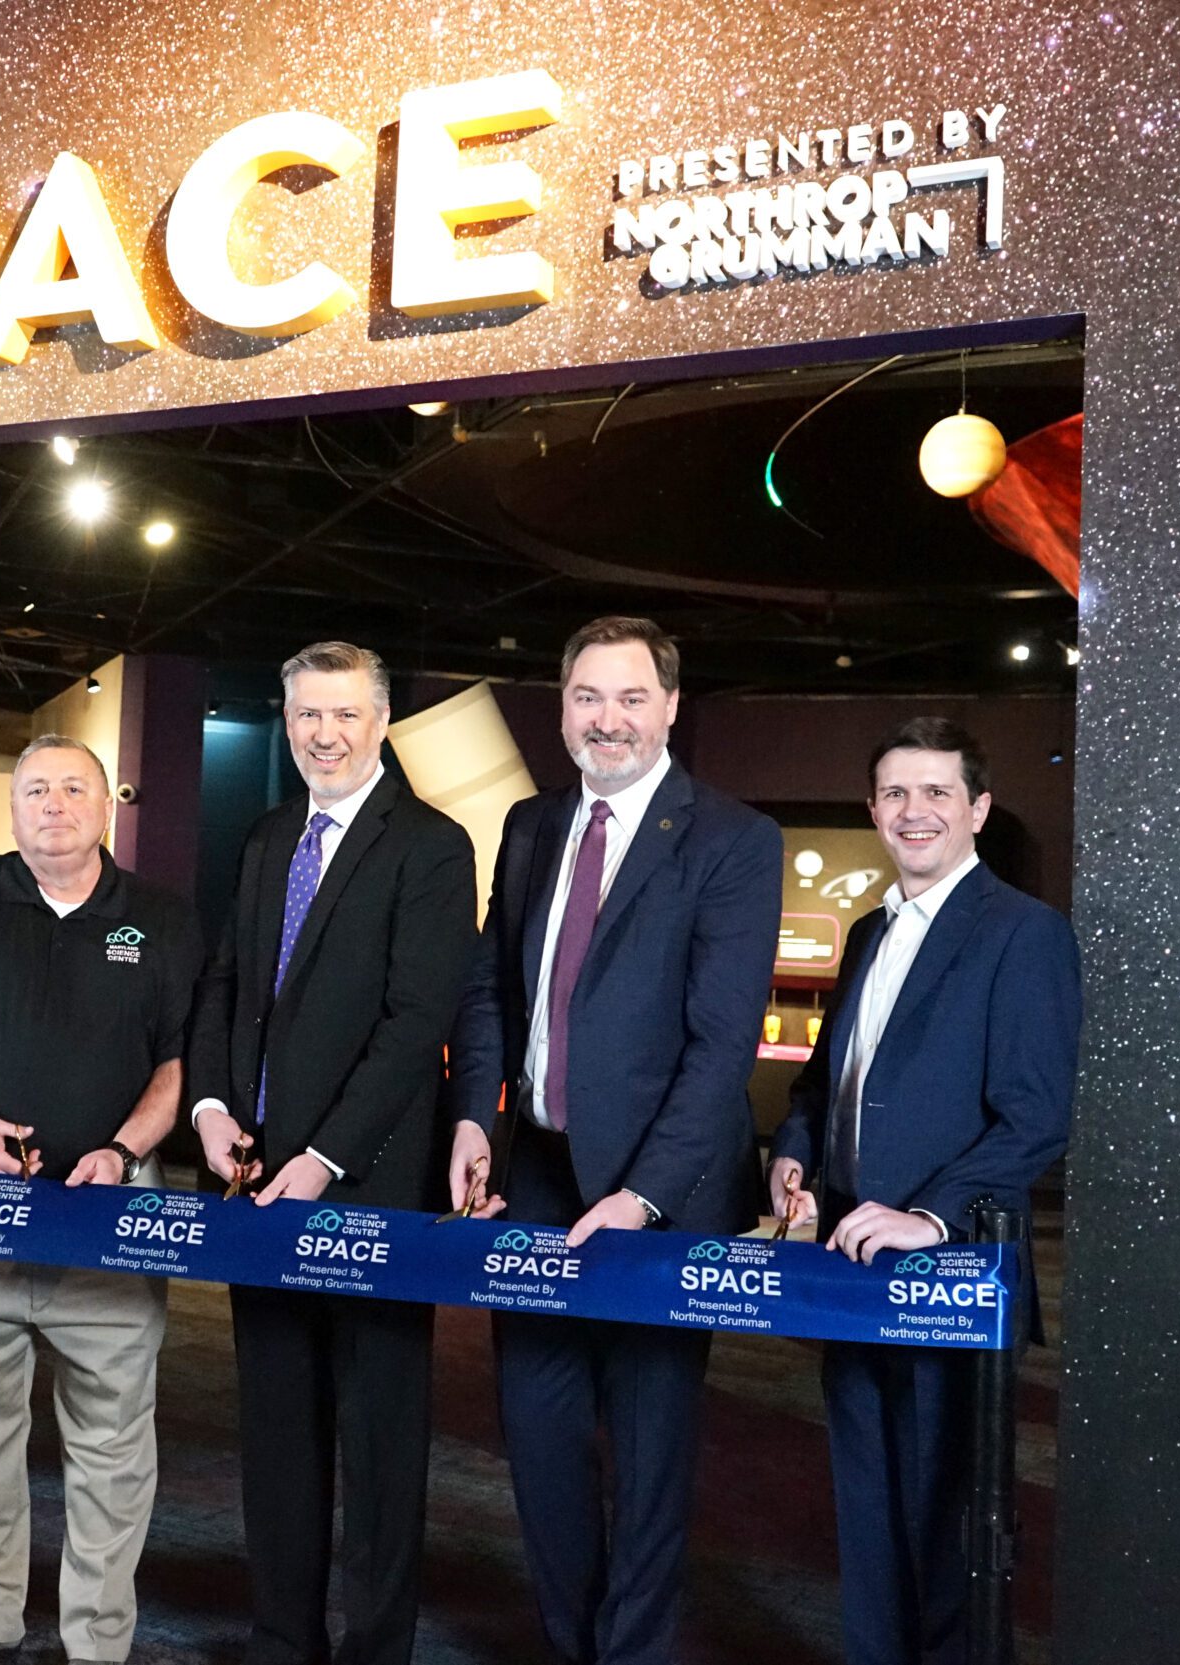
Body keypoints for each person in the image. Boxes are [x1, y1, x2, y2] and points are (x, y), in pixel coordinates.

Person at [444, 616, 783, 1665]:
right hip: (538, 1175)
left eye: (632, 697)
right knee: (538, 1436)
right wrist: (475, 1115)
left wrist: (642, 1196)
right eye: (587, 696)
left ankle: (631, 1652)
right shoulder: (531, 825)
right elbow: (493, 990)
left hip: (662, 1196)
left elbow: (722, 1047)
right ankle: (572, 1642)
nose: (609, 719)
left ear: (670, 707)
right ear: (562, 708)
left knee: (645, 1455)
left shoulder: (732, 840)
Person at [0, 735, 200, 1665]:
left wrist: (124, 1149)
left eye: (73, 788)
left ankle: (97, 1639)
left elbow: (179, 1062)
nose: (54, 804)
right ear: (12, 807)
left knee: (112, 1447)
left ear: (107, 806)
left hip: (109, 1222)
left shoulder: (162, 919)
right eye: (36, 790)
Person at [186, 641, 478, 1665]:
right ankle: (282, 1640)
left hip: (369, 1190)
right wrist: (210, 1105)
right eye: (307, 713)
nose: (324, 733)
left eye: (346, 714)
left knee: (380, 1446)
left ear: (382, 720)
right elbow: (226, 984)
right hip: (256, 1185)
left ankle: (376, 1648)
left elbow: (413, 1026)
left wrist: (322, 1159)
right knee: (277, 1435)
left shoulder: (432, 847)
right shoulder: (270, 837)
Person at [768, 717, 1081, 1665]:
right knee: (868, 1524)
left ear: (978, 809)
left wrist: (930, 1215)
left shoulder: (1025, 933)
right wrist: (795, 1154)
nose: (915, 810)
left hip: (952, 1281)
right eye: (896, 792)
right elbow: (826, 1083)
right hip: (850, 1270)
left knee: (949, 1540)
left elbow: (1036, 1116)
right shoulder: (869, 931)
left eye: (938, 791)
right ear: (873, 810)